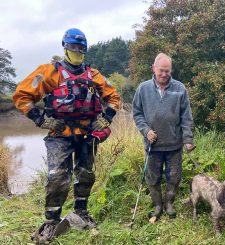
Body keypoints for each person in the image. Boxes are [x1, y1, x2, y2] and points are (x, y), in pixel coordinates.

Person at [13, 28, 121, 242]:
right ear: (65, 47)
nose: (77, 51)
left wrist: (106, 118)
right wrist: (41, 119)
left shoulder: (94, 74)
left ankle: (81, 212)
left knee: (86, 174)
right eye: (73, 47)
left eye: (81, 47)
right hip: (59, 133)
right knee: (57, 178)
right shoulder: (49, 72)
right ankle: (51, 222)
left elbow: (114, 97)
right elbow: (22, 95)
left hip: (87, 133)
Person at [132, 53, 194, 220]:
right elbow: (137, 113)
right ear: (154, 68)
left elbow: (186, 116)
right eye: (161, 70)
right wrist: (146, 130)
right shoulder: (143, 89)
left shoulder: (180, 88)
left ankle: (169, 203)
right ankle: (158, 205)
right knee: (152, 177)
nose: (165, 74)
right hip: (152, 145)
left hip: (174, 145)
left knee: (174, 177)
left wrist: (188, 139)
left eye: (168, 71)